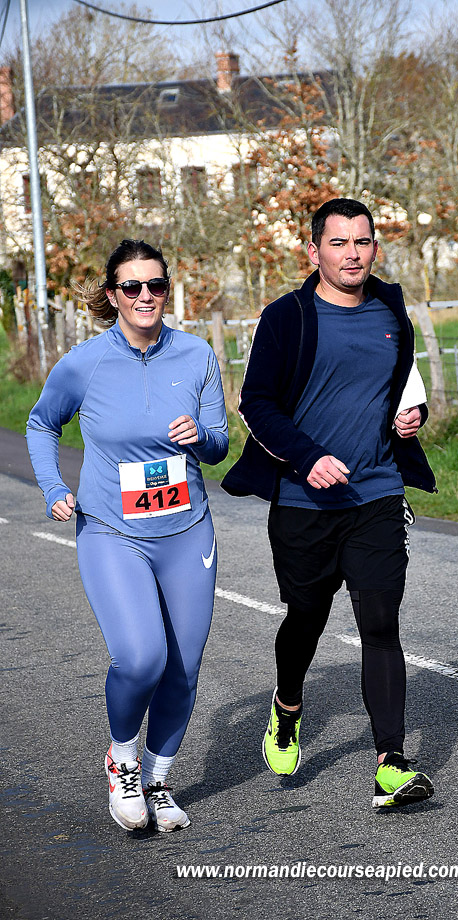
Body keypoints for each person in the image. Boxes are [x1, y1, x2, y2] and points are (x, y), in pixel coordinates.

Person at [222, 198, 437, 808]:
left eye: (362, 242)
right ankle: (287, 705)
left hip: (376, 491)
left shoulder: (391, 311)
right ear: (314, 250)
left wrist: (414, 416)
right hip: (303, 501)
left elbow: (402, 383)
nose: (352, 254)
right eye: (338, 243)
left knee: (380, 623)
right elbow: (257, 403)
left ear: (375, 248)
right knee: (306, 617)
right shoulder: (286, 317)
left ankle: (391, 763)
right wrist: (307, 457)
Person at [26, 239, 228, 832]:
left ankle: (159, 779)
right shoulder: (84, 363)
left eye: (156, 285)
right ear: (113, 295)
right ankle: (122, 760)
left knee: (183, 668)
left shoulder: (196, 354)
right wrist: (53, 486)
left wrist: (200, 437)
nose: (145, 296)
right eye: (132, 286)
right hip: (112, 530)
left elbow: (219, 444)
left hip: (186, 530)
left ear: (168, 290)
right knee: (142, 658)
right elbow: (40, 423)